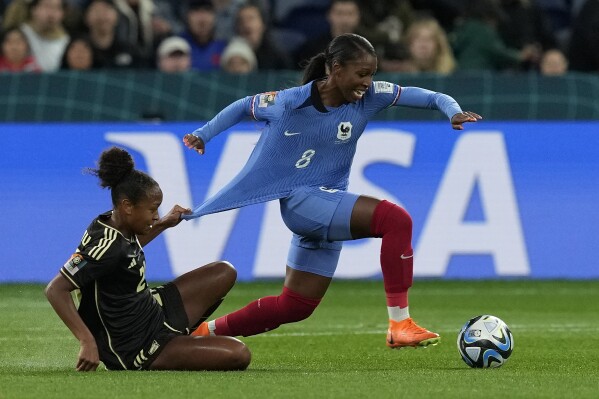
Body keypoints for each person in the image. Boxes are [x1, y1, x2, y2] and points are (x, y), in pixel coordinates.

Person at [182, 33, 481, 349]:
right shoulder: (290, 102)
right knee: (396, 221)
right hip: (301, 200)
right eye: (360, 74)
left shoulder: (370, 97)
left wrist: (454, 111)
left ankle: (200, 333)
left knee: (294, 306)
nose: (367, 82)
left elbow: (431, 97)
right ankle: (400, 324)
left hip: (324, 203)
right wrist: (204, 134)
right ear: (335, 69)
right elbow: (243, 106)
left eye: (371, 74)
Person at [45, 147, 251, 371]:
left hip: (152, 311)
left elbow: (124, 253)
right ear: (127, 206)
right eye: (153, 209)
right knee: (238, 354)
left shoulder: (111, 222)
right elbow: (55, 289)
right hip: (136, 345)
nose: (155, 216)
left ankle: (183, 340)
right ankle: (180, 346)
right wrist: (87, 341)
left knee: (224, 272)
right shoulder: (105, 247)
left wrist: (163, 224)